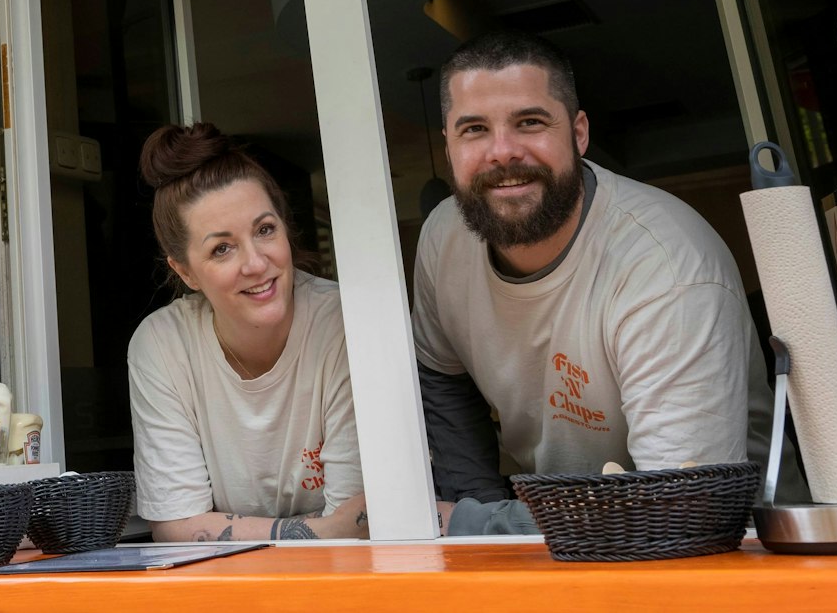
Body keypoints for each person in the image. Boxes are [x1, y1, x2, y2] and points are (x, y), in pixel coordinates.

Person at [413, 31, 769, 534]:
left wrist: (476, 523)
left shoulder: (665, 266)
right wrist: (482, 518)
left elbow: (677, 510)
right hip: (556, 547)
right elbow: (442, 379)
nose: (503, 151)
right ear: (448, 147)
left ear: (578, 134)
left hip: (727, 561)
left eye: (529, 122)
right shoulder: (443, 238)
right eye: (474, 129)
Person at [129, 123, 369, 541]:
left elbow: (362, 526)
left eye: (264, 230)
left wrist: (219, 529)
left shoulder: (345, 323)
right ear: (186, 272)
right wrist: (324, 529)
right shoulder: (163, 346)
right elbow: (175, 528)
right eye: (222, 248)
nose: (256, 263)